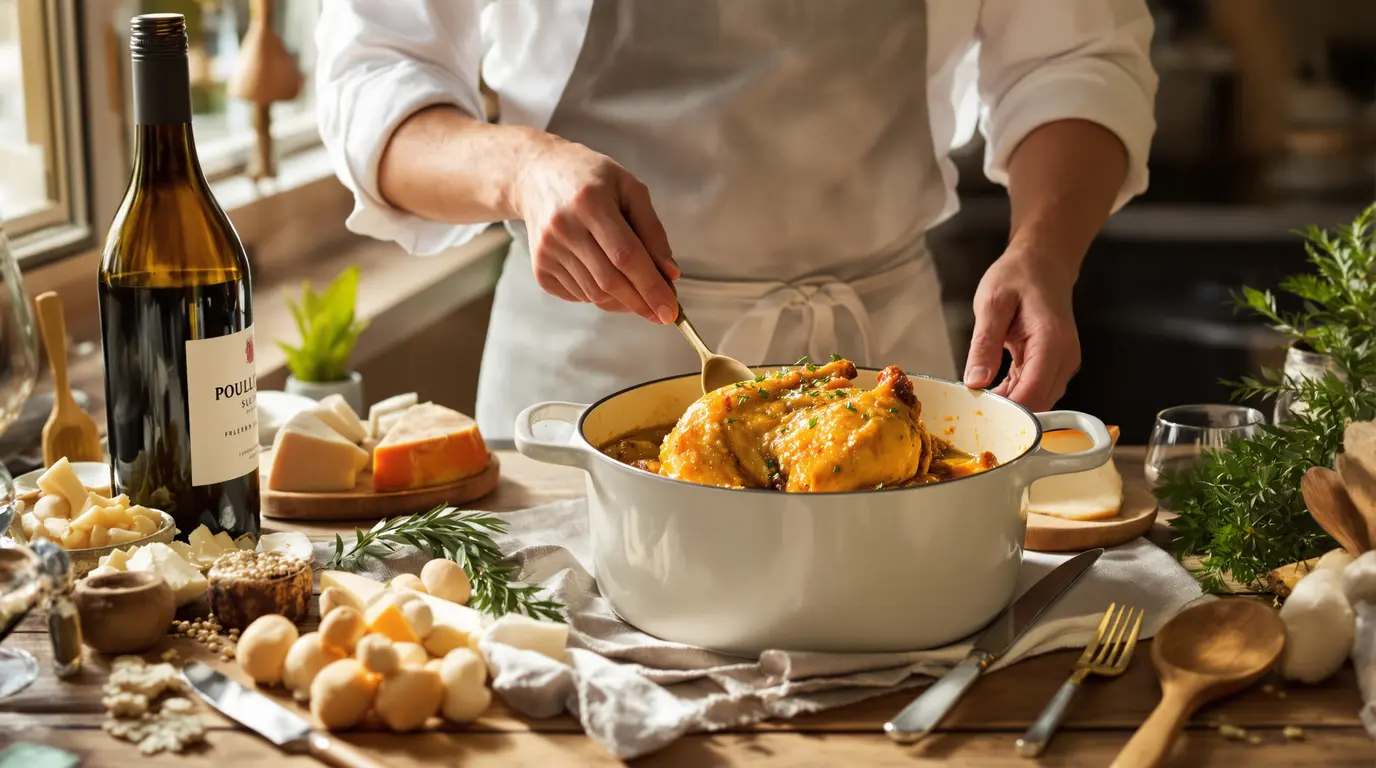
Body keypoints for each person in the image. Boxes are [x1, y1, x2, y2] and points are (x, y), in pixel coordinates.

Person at [316, 1, 1157, 439]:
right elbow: (374, 80)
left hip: (879, 365)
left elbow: (1074, 56)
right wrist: (523, 171)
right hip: (585, 373)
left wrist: (1043, 250)